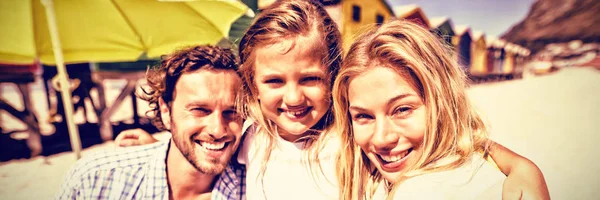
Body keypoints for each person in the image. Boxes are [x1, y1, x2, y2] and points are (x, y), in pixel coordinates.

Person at [117, 1, 548, 199]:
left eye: (310, 78)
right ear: (251, 84)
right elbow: (211, 144)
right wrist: (156, 146)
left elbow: (458, 140)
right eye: (273, 81)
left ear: (333, 77)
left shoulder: (355, 134)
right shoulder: (256, 140)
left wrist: (522, 166)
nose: (293, 97)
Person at [332, 20, 550, 199]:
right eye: (363, 116)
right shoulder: (362, 175)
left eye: (402, 110)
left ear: (442, 102)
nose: (381, 139)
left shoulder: (426, 191)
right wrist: (520, 165)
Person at [56, 45, 245, 200]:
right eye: (199, 110)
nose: (218, 129)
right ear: (165, 110)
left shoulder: (258, 188)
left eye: (232, 112)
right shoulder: (96, 181)